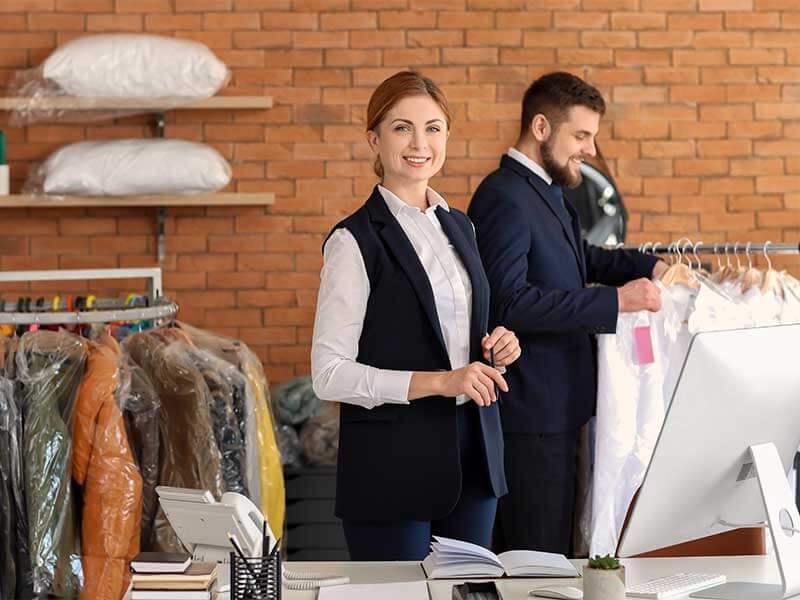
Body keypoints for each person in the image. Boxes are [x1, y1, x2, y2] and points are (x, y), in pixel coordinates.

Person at [311, 71, 521, 561]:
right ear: (375, 139)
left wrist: (497, 350)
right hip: (391, 472)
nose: (419, 143)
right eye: (402, 128)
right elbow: (329, 375)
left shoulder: (460, 225)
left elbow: (454, 339)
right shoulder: (353, 242)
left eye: (433, 128)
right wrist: (441, 382)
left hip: (475, 459)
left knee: (471, 596)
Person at [467, 72, 667, 555]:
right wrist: (615, 302)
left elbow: (584, 259)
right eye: (581, 136)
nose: (590, 150)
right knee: (534, 558)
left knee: (557, 552)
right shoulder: (504, 196)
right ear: (540, 127)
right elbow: (509, 301)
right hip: (529, 417)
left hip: (559, 411)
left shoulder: (546, 192)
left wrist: (654, 265)